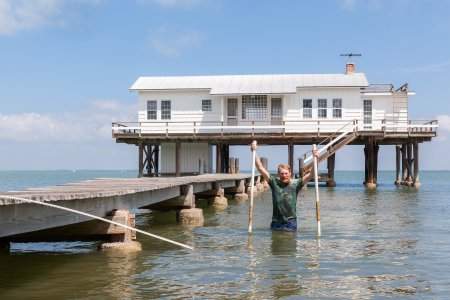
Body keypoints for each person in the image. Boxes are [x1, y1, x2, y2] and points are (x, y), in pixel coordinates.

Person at [250, 141, 318, 232]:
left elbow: (311, 174)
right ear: (278, 174)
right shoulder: (274, 182)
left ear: (290, 173)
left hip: (290, 222)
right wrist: (254, 152)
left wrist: (315, 159)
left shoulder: (296, 184)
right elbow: (260, 168)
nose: (284, 175)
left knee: (289, 243)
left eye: (286, 173)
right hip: (276, 222)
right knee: (275, 244)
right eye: (282, 173)